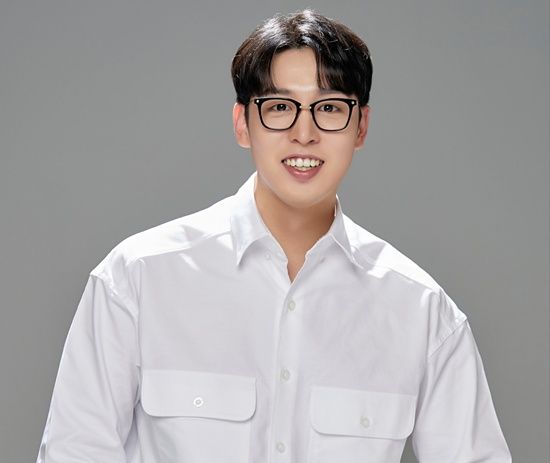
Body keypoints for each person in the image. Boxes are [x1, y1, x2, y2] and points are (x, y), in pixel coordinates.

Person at [36, 9, 512, 462]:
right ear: (242, 123)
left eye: (330, 108)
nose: (304, 133)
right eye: (280, 107)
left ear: (361, 127)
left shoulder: (422, 312)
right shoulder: (137, 280)